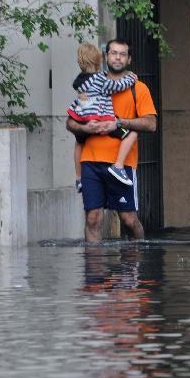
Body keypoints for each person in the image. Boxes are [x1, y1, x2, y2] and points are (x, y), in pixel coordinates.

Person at [66, 39, 157, 242]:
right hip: (91, 161)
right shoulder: (92, 84)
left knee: (128, 219)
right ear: (106, 57)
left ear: (129, 58)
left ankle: (135, 265)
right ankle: (94, 272)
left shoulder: (138, 88)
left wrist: (118, 123)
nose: (117, 57)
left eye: (122, 54)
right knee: (93, 219)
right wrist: (84, 127)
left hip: (122, 164)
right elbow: (70, 122)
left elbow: (151, 124)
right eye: (113, 53)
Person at [67, 43, 139, 189]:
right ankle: (118, 166)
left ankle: (79, 178)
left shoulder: (80, 82)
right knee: (131, 133)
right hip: (102, 120)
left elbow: (79, 102)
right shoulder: (98, 79)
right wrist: (131, 78)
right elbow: (117, 86)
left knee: (79, 143)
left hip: (85, 120)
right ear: (98, 60)